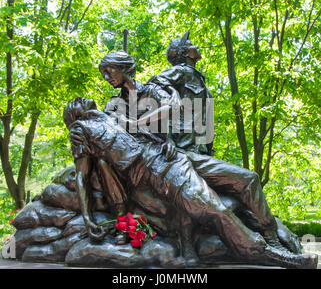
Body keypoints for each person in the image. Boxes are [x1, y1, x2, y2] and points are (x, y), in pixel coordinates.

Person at [64, 97, 318, 269]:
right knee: (214, 209)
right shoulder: (80, 129)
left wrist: (169, 140)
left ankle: (271, 234)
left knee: (248, 179)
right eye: (75, 102)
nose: (81, 100)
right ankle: (269, 253)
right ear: (75, 113)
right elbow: (82, 176)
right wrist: (87, 217)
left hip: (176, 155)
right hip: (157, 169)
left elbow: (153, 126)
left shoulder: (113, 114)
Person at [98, 49, 301, 254]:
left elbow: (173, 107)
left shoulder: (153, 91)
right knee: (205, 202)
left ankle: (271, 235)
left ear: (124, 68)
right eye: (103, 73)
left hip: (179, 152)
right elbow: (112, 138)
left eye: (109, 71)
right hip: (157, 164)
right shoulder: (113, 105)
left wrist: (158, 134)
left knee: (248, 178)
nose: (107, 78)